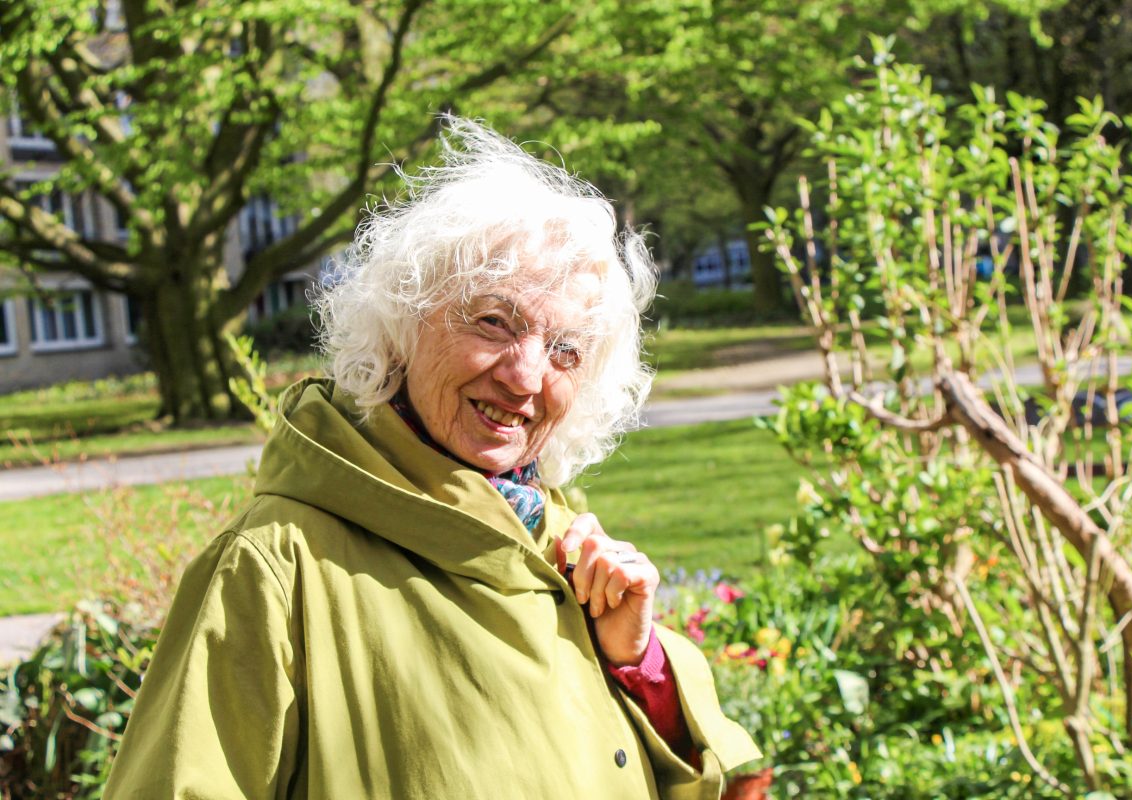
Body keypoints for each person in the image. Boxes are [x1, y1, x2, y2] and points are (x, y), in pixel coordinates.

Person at [103, 118, 760, 799]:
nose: (527, 377)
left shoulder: (563, 546)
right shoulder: (272, 568)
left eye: (565, 350)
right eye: (495, 323)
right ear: (401, 322)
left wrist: (638, 665)